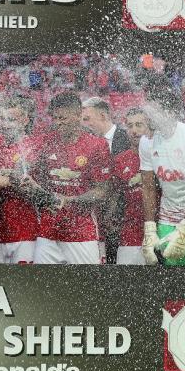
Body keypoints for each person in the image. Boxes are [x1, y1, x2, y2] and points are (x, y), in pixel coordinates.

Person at [27, 91, 111, 264]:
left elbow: (102, 191)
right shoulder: (46, 142)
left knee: (86, 287)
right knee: (39, 287)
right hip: (48, 232)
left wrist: (70, 200)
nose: (58, 123)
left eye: (63, 118)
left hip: (81, 232)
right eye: (55, 118)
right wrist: (30, 184)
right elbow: (34, 179)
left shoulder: (97, 145)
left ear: (78, 114)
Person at [140, 84, 185, 266]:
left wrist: (184, 228)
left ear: (169, 112)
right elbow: (149, 187)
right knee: (169, 285)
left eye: (153, 110)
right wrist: (150, 228)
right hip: (167, 219)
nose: (147, 114)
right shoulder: (146, 141)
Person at [0, 97, 42, 264]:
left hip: (27, 233)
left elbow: (36, 188)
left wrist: (9, 181)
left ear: (25, 120)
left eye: (11, 119)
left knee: (25, 285)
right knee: (2, 284)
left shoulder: (33, 146)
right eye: (2, 119)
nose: (5, 124)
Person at [81, 96, 131, 264]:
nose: (84, 123)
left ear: (102, 116)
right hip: (95, 217)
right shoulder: (85, 143)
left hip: (123, 220)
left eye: (87, 119)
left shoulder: (128, 139)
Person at [113, 108, 153, 265]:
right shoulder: (120, 160)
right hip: (130, 234)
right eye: (130, 126)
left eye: (139, 125)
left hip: (160, 231)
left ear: (149, 126)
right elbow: (115, 196)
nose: (134, 131)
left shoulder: (160, 154)